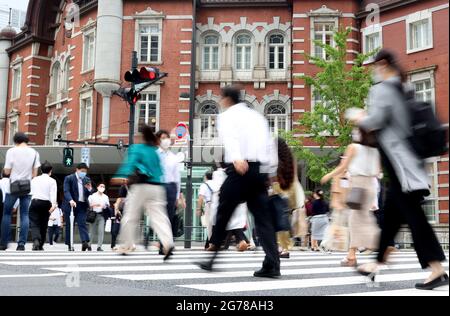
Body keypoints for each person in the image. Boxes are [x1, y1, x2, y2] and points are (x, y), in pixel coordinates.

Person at [352, 49, 448, 290]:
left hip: (400, 166)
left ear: (383, 64)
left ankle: (437, 270)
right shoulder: (404, 88)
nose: (372, 71)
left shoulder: (382, 89)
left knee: (416, 220)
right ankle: (375, 264)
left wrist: (358, 116)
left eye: (374, 66)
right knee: (392, 216)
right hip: (408, 163)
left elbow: (376, 121)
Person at [197, 85, 279, 278]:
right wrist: (270, 172)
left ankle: (212, 256)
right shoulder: (257, 116)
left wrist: (237, 157)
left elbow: (230, 139)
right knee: (262, 218)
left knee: (223, 209)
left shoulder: (226, 116)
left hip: (240, 168)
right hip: (259, 170)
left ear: (226, 99)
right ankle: (272, 264)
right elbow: (269, 143)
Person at [112, 124, 174, 260]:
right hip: (158, 187)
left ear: (140, 136)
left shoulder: (137, 148)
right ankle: (168, 243)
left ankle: (126, 245)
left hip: (141, 186)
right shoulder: (155, 151)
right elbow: (160, 170)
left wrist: (121, 175)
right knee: (159, 218)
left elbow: (130, 163)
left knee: (130, 215)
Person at [321, 128, 381, 266]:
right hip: (371, 186)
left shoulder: (353, 147)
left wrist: (328, 175)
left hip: (358, 185)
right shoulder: (375, 150)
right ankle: (351, 256)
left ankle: (383, 243)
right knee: (361, 219)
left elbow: (342, 167)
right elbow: (378, 172)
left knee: (356, 221)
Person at [0, 132, 41, 251]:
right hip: (27, 188)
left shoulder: (11, 151)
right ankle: (21, 244)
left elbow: (7, 172)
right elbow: (34, 174)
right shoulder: (34, 153)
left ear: (15, 141)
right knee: (24, 215)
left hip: (12, 187)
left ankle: (4, 243)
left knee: (7, 213)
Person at [271, 137, 305, 259]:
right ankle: (284, 247)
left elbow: (272, 177)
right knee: (284, 218)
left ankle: (280, 247)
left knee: (276, 219)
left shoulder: (273, 159)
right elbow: (295, 177)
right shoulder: (291, 158)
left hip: (277, 188)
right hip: (290, 188)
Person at [156, 130, 182, 253]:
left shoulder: (173, 157)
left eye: (167, 137)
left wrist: (177, 196)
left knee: (169, 217)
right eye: (162, 138)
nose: (165, 140)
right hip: (158, 188)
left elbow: (177, 178)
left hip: (171, 188)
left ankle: (165, 244)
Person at [62, 163, 93, 251]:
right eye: (82, 171)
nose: (83, 173)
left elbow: (89, 193)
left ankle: (85, 242)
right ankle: (69, 244)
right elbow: (66, 191)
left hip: (82, 205)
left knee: (82, 223)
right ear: (77, 170)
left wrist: (89, 189)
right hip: (71, 205)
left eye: (85, 172)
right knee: (70, 225)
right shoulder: (69, 178)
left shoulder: (86, 179)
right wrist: (70, 200)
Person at [29, 161, 58, 251]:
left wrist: (30, 203)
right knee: (44, 224)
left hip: (35, 201)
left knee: (34, 223)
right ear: (51, 171)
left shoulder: (34, 179)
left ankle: (36, 240)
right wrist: (53, 205)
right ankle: (40, 244)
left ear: (41, 170)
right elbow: (53, 194)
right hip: (46, 203)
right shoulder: (52, 181)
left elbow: (30, 192)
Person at [88, 182, 110, 251]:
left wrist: (105, 206)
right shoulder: (92, 196)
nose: (102, 188)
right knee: (91, 231)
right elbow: (88, 205)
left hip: (102, 215)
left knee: (101, 231)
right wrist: (95, 204)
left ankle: (99, 246)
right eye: (101, 186)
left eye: (103, 187)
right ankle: (89, 245)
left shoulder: (106, 197)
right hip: (93, 215)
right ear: (97, 187)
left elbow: (108, 205)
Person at [196, 172, 213, 249]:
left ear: (206, 177)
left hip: (209, 205)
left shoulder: (204, 185)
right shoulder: (216, 183)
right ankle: (208, 244)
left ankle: (211, 244)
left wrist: (199, 208)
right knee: (215, 225)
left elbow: (201, 198)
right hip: (218, 205)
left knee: (209, 226)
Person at [0, 171, 19, 238]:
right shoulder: (12, 183)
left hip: (0, 203)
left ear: (1, 175)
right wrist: (15, 206)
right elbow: (17, 195)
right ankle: (6, 238)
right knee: (7, 221)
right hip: (9, 204)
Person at [111, 184, 128, 250]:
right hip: (124, 217)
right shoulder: (127, 199)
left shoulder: (119, 199)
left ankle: (113, 245)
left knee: (114, 231)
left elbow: (116, 208)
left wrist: (117, 213)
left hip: (119, 217)